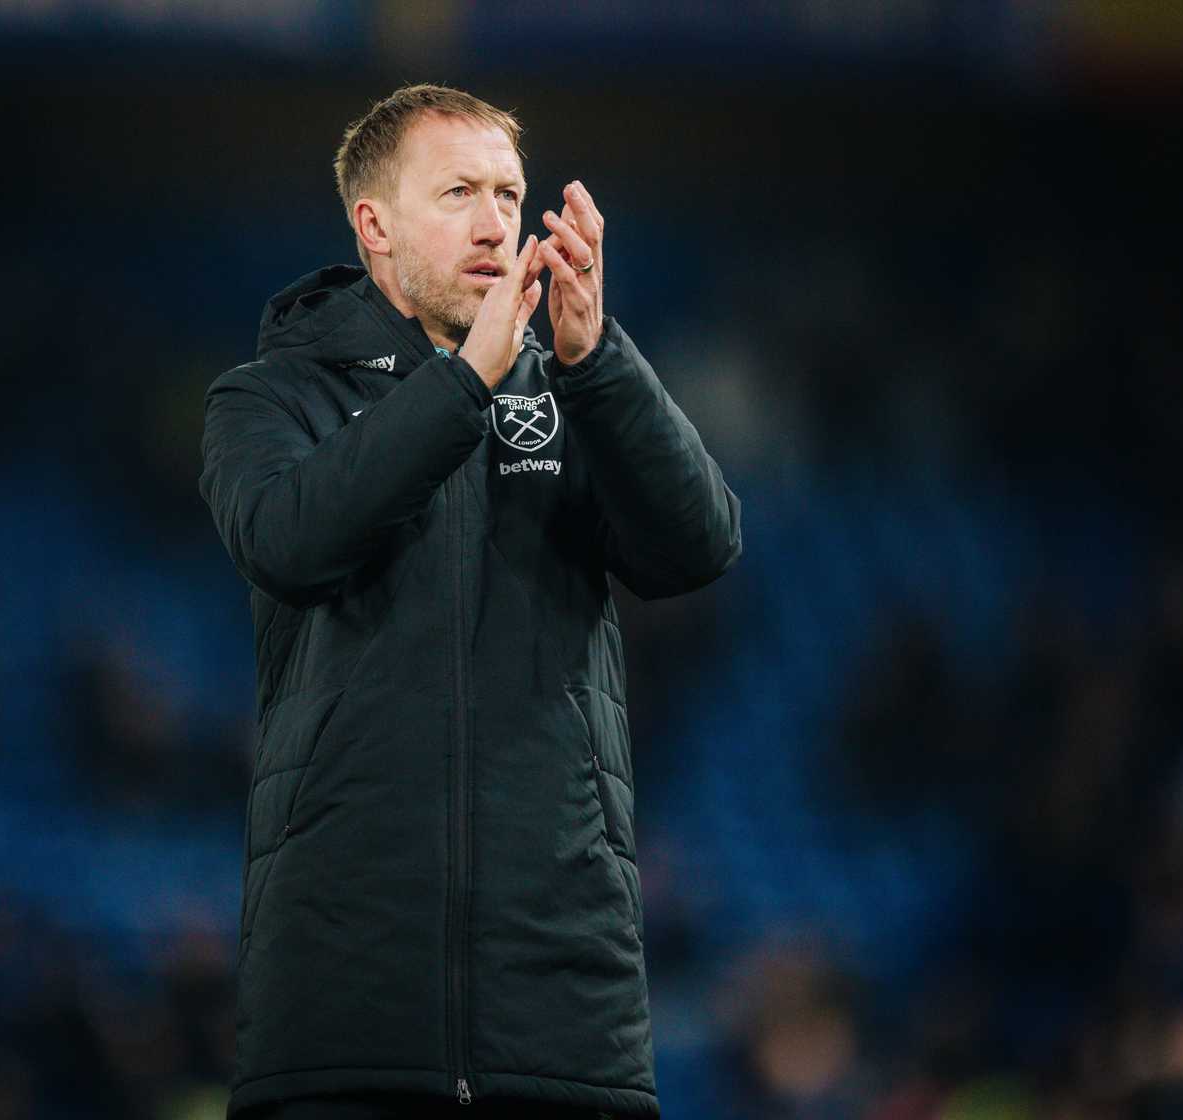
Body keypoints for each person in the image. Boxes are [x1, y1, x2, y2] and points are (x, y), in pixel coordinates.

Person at [197, 82, 742, 1119]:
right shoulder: (270, 399)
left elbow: (699, 545)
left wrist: (596, 361)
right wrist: (465, 385)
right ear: (377, 227)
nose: (497, 221)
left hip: (562, 1026)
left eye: (510, 192)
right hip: (343, 1026)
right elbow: (291, 539)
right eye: (458, 192)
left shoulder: (574, 396)